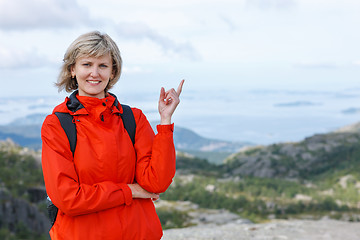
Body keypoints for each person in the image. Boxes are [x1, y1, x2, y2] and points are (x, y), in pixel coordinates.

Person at [41, 31, 184, 240]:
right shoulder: (57, 125)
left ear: (112, 71)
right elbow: (68, 198)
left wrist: (165, 120)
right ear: (72, 70)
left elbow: (156, 183)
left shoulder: (132, 118)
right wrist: (130, 191)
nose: (95, 73)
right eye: (87, 64)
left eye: (103, 65)